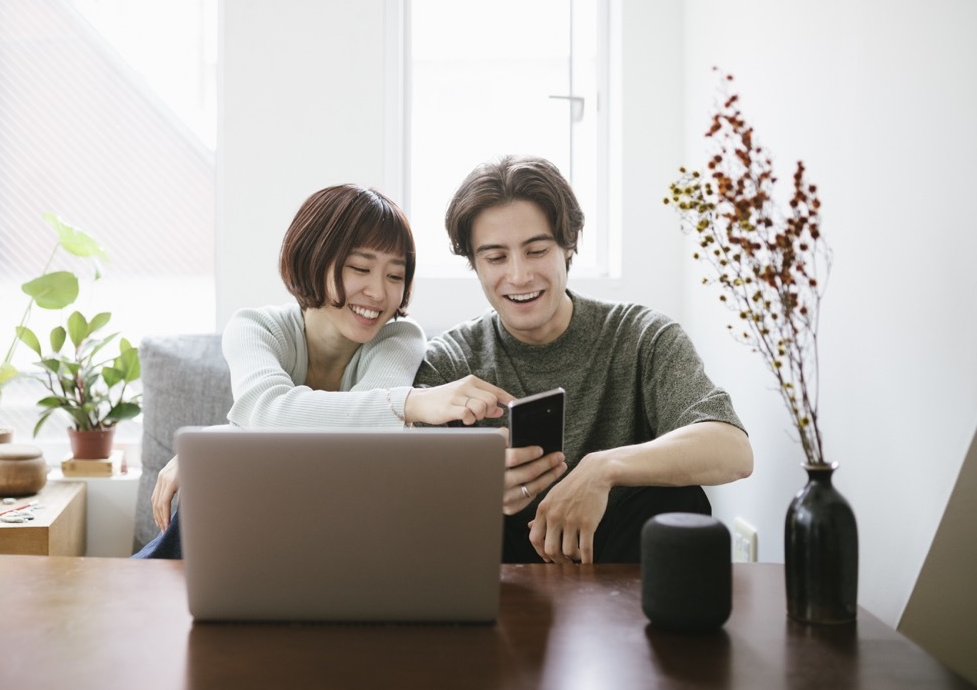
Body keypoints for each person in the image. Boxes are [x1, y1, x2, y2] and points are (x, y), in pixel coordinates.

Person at [136, 183, 511, 558]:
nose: (379, 293)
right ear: (313, 258)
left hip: (341, 541)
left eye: (395, 276)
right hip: (250, 538)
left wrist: (220, 441)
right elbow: (267, 413)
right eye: (360, 268)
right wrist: (410, 403)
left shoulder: (398, 338)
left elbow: (356, 451)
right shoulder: (255, 328)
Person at [415, 155, 753, 565]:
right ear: (474, 263)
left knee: (679, 501)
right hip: (502, 567)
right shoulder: (450, 360)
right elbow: (399, 488)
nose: (519, 276)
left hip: (617, 555)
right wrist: (473, 486)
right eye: (496, 258)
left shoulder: (641, 336)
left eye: (536, 250)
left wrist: (603, 468)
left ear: (569, 244)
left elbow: (732, 450)